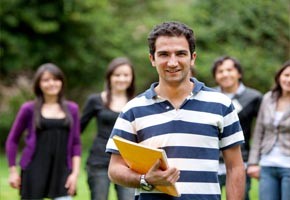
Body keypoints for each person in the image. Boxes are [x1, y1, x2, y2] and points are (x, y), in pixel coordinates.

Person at [106, 21, 245, 200]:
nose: (172, 62)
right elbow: (114, 169)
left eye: (180, 54)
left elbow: (235, 167)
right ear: (152, 59)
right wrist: (145, 179)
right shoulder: (133, 109)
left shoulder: (221, 104)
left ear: (192, 57)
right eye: (164, 54)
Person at [5, 63, 81, 200]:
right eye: (46, 80)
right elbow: (12, 140)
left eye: (55, 79)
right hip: (34, 169)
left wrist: (74, 174)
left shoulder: (72, 109)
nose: (51, 83)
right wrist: (12, 171)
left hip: (62, 170)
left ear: (61, 82)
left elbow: (76, 143)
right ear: (39, 84)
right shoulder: (28, 109)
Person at [81, 57, 136, 200]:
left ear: (131, 78)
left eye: (126, 75)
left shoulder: (137, 103)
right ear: (109, 77)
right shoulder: (96, 100)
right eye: (117, 75)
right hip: (99, 161)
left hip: (127, 163)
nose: (121, 79)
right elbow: (76, 130)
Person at [211, 56, 262, 200]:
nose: (225, 74)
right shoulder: (210, 97)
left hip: (241, 160)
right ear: (215, 76)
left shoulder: (254, 97)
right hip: (212, 161)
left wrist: (256, 160)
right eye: (220, 71)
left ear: (239, 73)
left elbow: (262, 130)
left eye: (229, 70)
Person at [247, 61, 290, 200]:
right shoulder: (268, 98)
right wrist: (253, 162)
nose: (288, 80)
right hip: (267, 164)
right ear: (279, 76)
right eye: (286, 75)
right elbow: (259, 131)